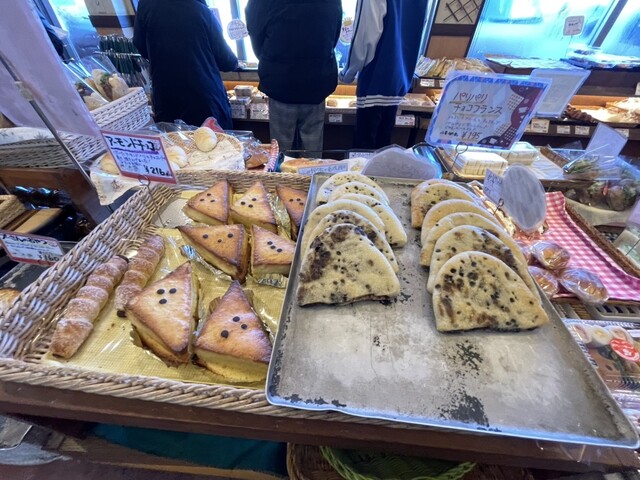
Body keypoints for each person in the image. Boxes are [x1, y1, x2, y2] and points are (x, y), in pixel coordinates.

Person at [246, 0, 342, 155]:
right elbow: (333, 37)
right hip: (317, 81)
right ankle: (310, 171)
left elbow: (256, 38)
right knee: (313, 153)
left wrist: (273, 60)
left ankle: (284, 171)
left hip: (280, 82)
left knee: (281, 152)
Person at [134, 0, 238, 129]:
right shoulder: (200, 10)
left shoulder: (146, 5)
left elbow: (141, 46)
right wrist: (235, 63)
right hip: (204, 97)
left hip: (166, 96)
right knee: (213, 139)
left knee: (173, 139)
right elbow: (227, 61)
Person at [340, 0, 430, 149]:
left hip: (375, 78)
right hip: (400, 81)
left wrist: (348, 73)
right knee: (383, 148)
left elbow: (365, 35)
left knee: (363, 151)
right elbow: (418, 29)